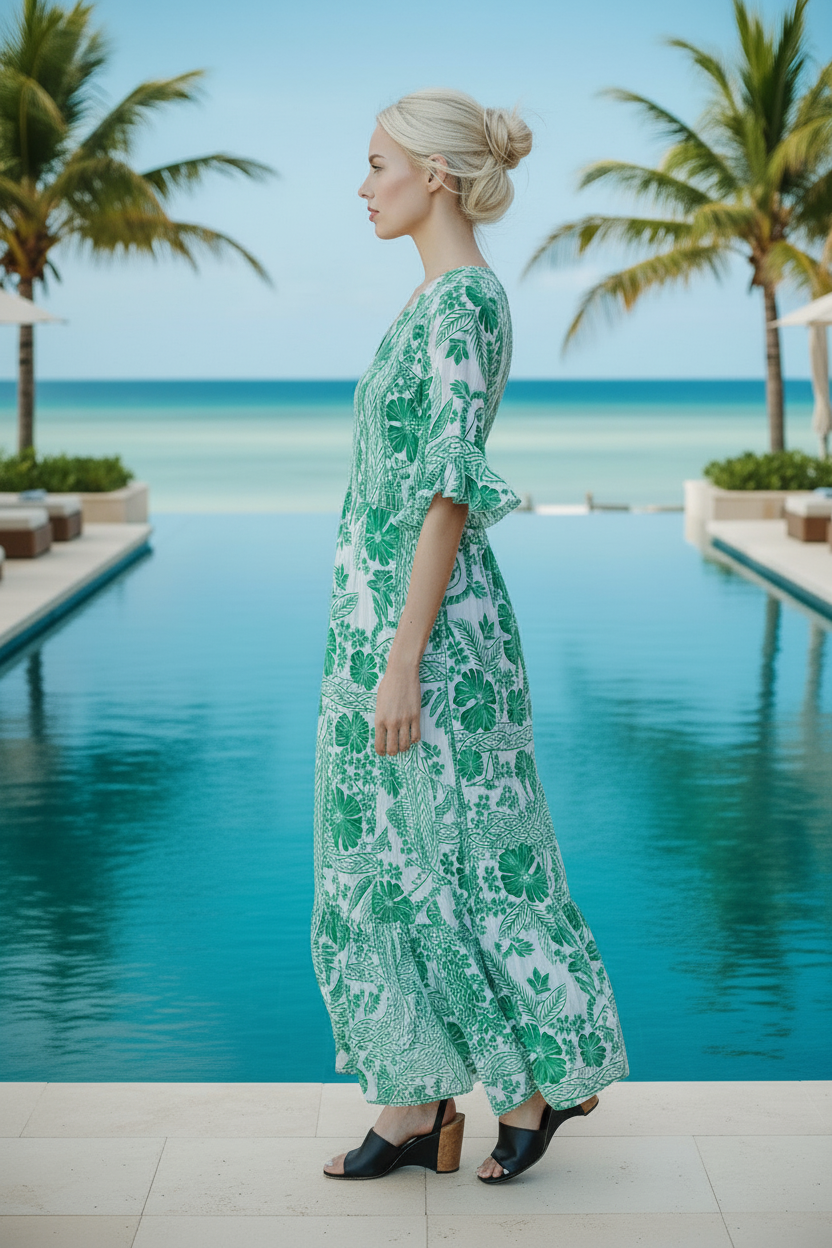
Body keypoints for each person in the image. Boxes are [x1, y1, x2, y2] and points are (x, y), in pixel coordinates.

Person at [311, 86, 628, 1184]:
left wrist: (404, 660)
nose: (362, 187)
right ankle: (413, 1103)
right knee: (379, 862)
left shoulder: (462, 305)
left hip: (430, 640)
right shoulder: (431, 300)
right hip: (379, 626)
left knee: (456, 861)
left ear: (434, 174)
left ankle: (533, 1086)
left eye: (376, 164)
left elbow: (448, 492)